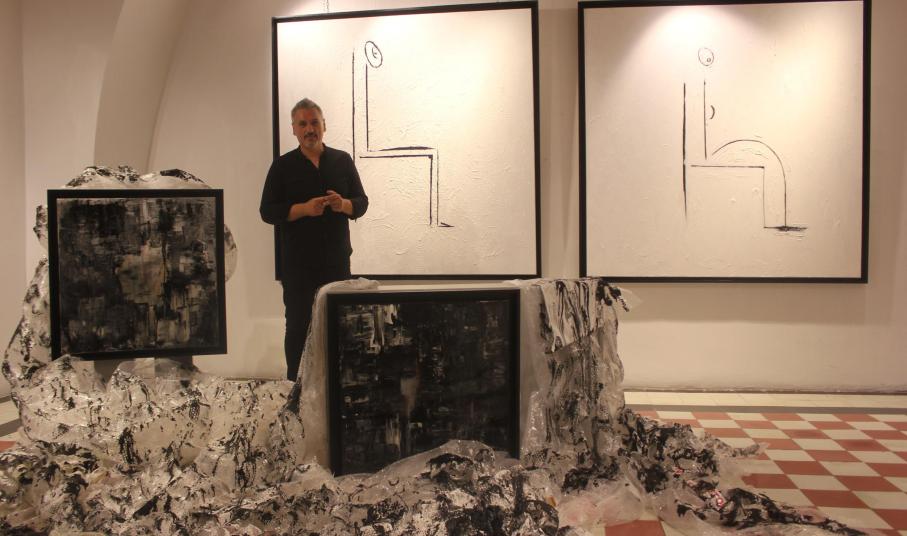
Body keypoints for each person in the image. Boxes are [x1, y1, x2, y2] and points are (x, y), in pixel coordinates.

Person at [260, 98, 368, 380]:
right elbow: (267, 211)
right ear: (294, 129)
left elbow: (361, 202)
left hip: (336, 263)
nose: (310, 129)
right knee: (298, 328)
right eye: (303, 124)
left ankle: (337, 388)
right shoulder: (282, 166)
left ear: (324, 125)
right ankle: (296, 390)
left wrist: (343, 204)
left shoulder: (342, 161)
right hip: (298, 266)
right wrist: (303, 209)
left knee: (337, 326)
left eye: (314, 122)